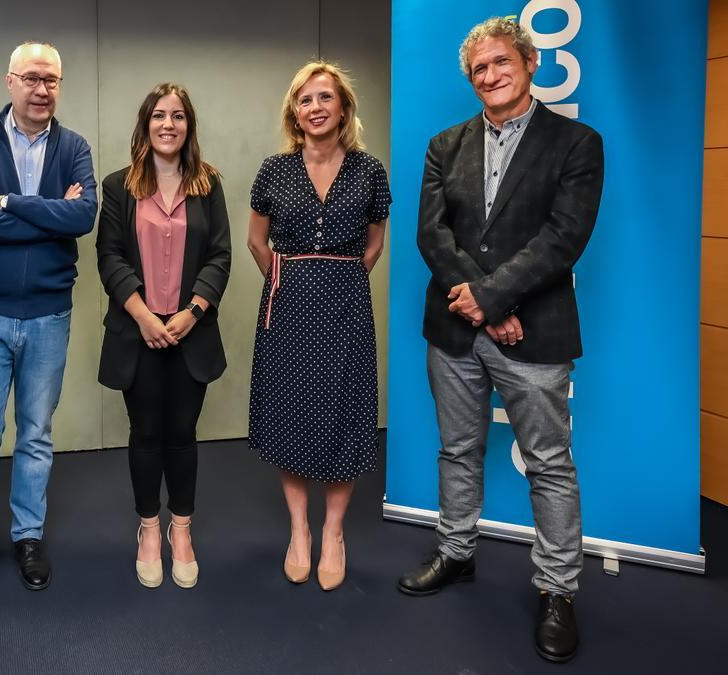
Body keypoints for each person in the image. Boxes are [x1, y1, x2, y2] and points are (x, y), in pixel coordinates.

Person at [395, 18, 603, 664]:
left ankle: (557, 589)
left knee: (549, 463)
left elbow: (564, 237)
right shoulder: (444, 145)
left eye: (499, 62)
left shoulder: (576, 143)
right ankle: (456, 552)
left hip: (534, 332)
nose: (489, 75)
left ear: (530, 62)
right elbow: (433, 235)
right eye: (478, 69)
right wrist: (482, 304)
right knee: (458, 449)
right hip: (455, 330)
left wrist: (493, 298)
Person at [0, 41, 97, 610]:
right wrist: (46, 212)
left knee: (35, 435)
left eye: (52, 80)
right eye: (32, 78)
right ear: (9, 81)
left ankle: (28, 538)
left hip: (48, 315)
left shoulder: (75, 146)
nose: (42, 90)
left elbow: (82, 217)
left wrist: (9, 202)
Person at [246, 62, 390, 592]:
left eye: (325, 97)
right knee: (292, 412)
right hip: (287, 307)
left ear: (343, 108)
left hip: (347, 303)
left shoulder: (370, 170)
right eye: (305, 100)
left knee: (346, 413)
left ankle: (333, 533)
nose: (316, 108)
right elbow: (257, 241)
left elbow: (374, 242)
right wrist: (290, 281)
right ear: (295, 112)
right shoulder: (273, 170)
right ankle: (299, 531)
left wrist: (339, 281)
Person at [96, 83, 231, 589]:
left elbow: (220, 255)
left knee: (183, 434)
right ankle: (149, 530)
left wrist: (192, 311)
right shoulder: (118, 186)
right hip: (140, 334)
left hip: (190, 333)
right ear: (145, 124)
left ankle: (182, 530)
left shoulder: (209, 185)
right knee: (146, 434)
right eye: (159, 115)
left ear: (188, 125)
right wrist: (143, 315)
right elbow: (108, 256)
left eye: (178, 116)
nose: (168, 124)